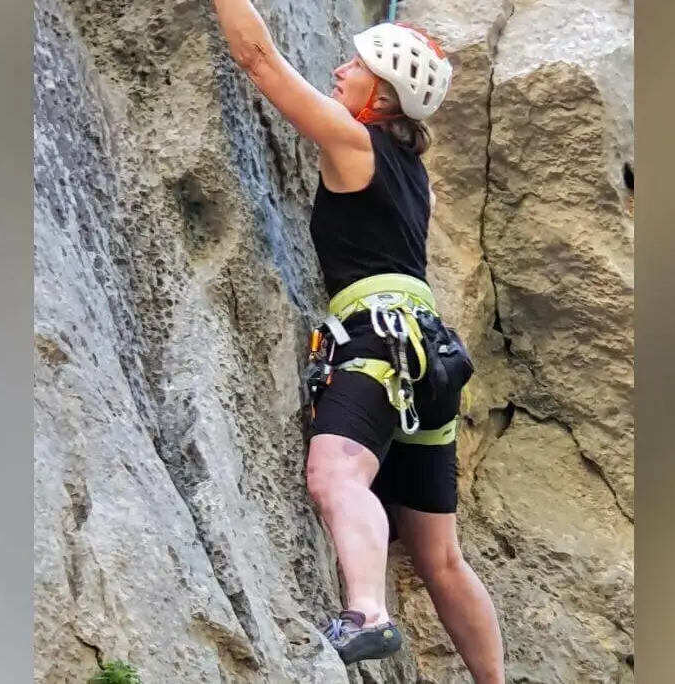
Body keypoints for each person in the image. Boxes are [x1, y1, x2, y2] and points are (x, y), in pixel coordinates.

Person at [209, 2, 505, 681]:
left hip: (378, 341)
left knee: (337, 475)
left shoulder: (353, 142)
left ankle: (366, 614)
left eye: (357, 67)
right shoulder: (410, 170)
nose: (340, 70)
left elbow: (259, 61)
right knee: (439, 557)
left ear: (382, 92)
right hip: (430, 357)